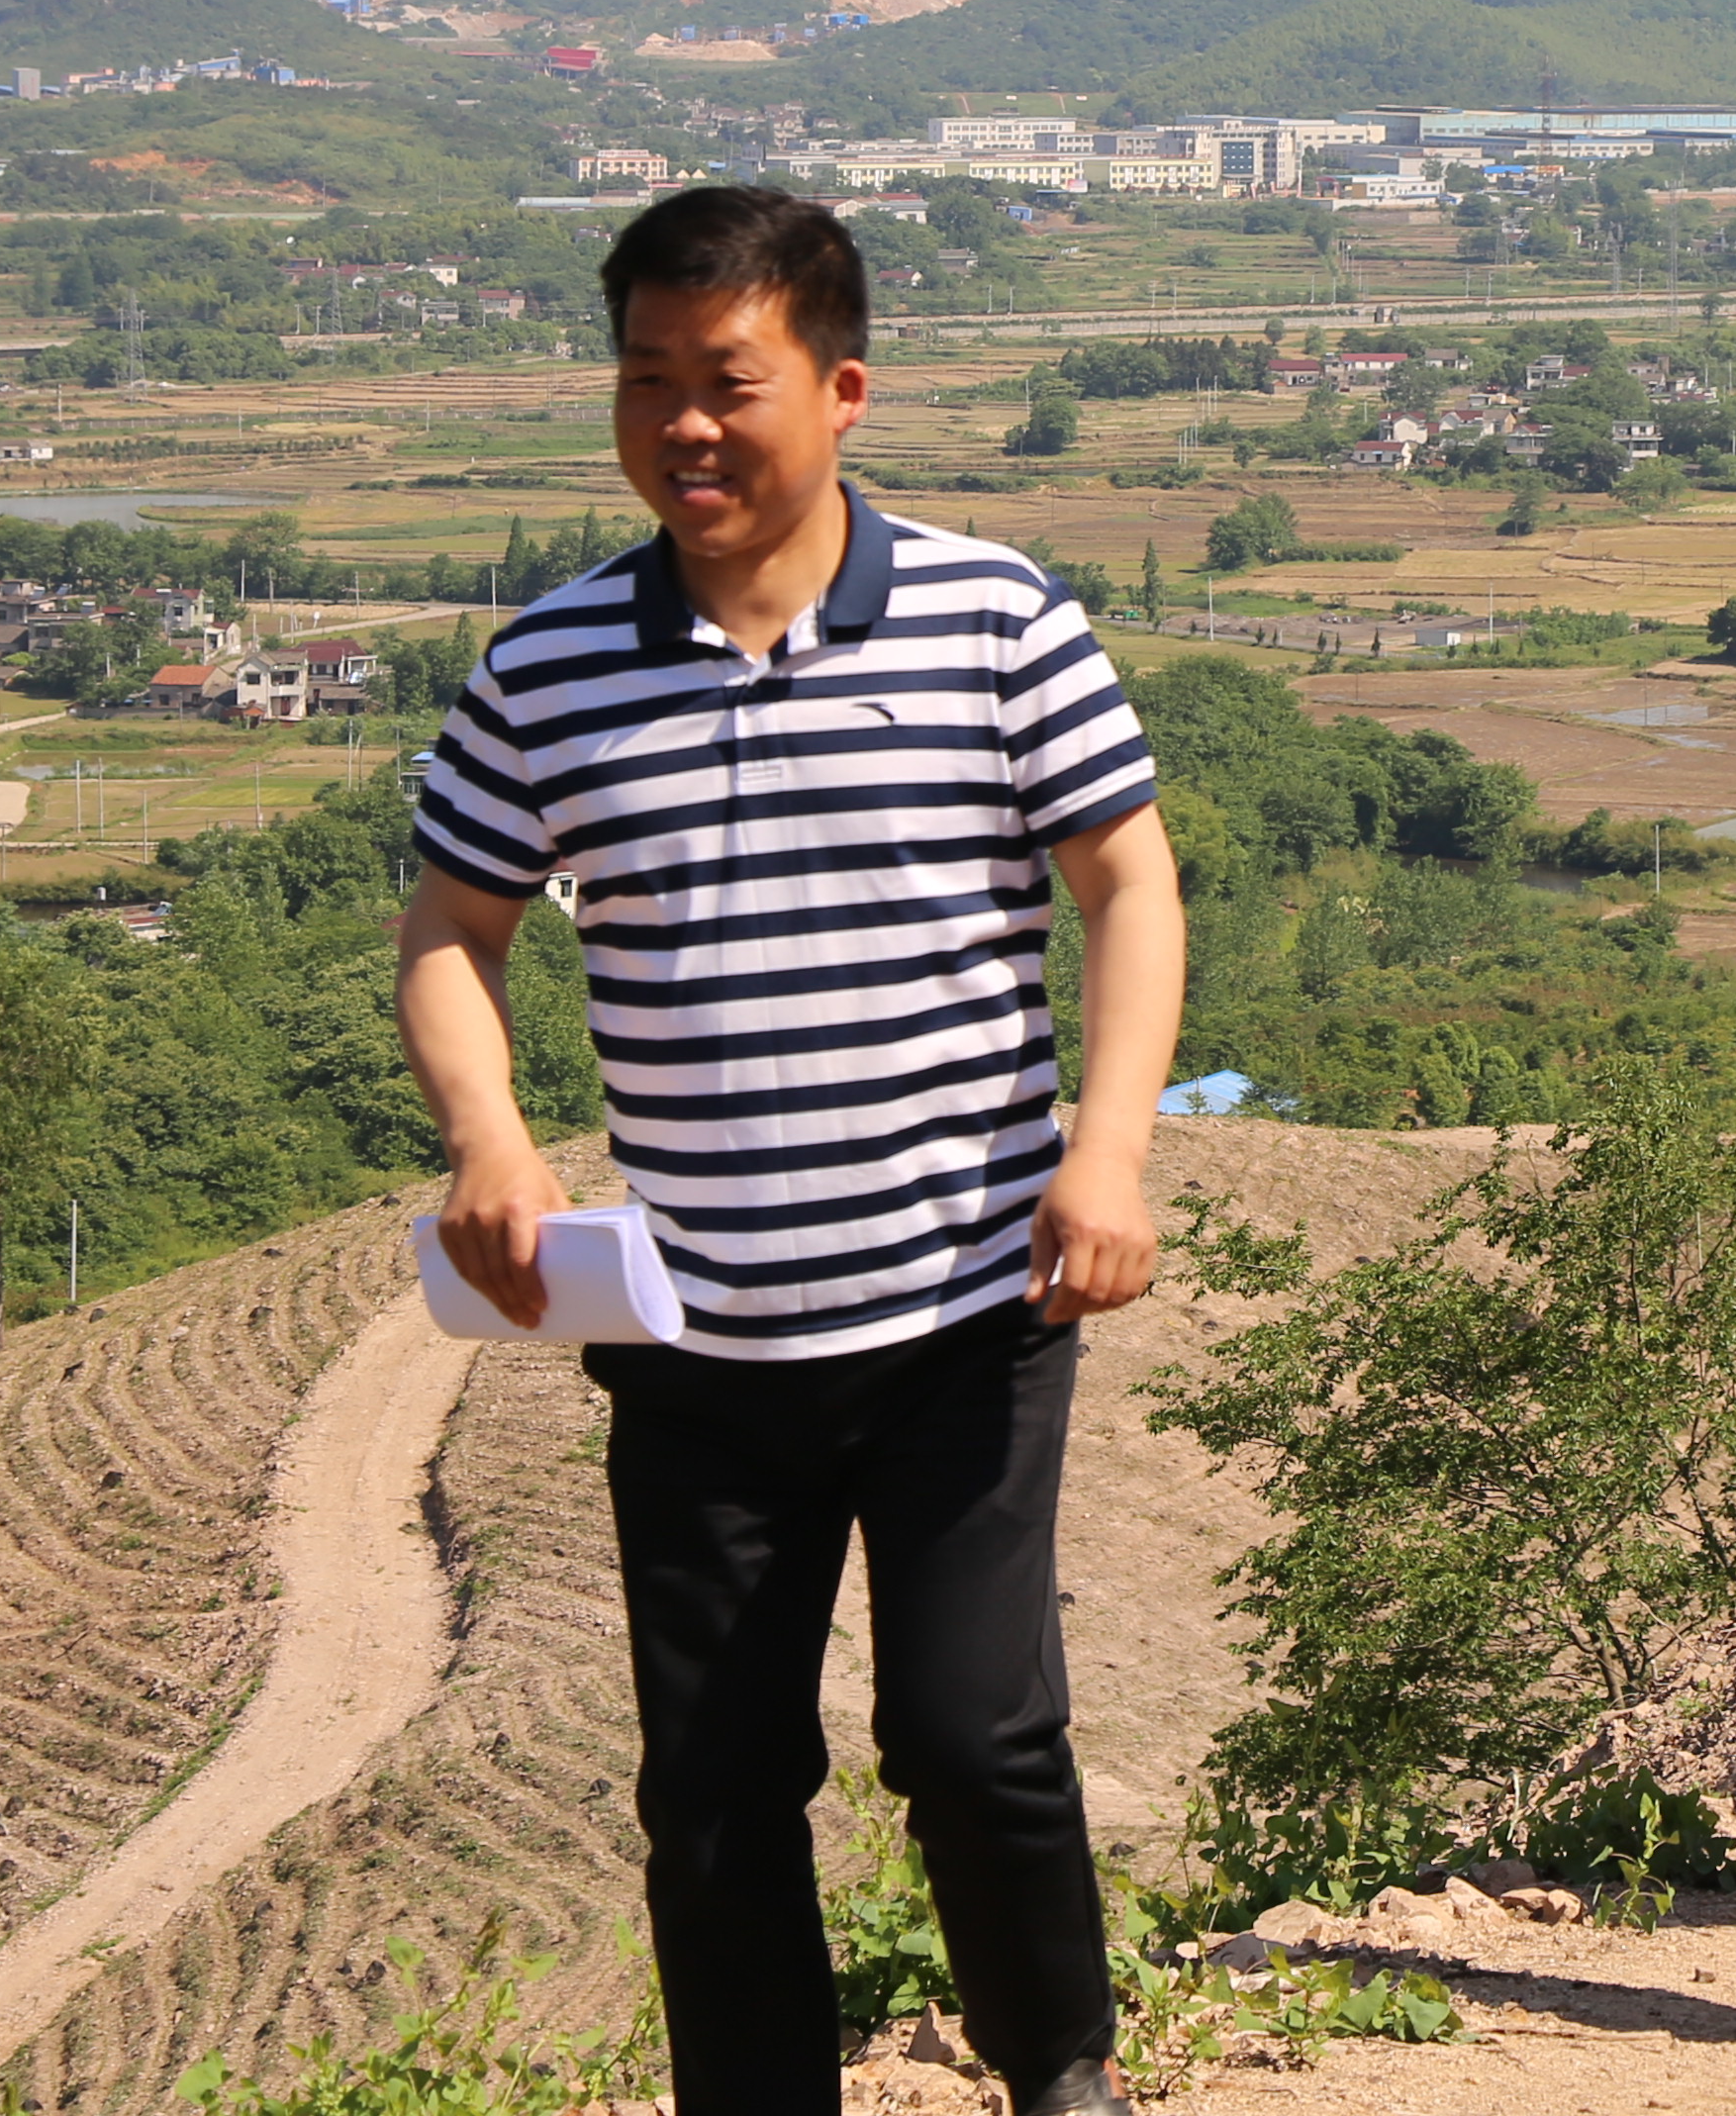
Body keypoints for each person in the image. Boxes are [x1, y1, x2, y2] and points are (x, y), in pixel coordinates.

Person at [395, 188, 1188, 2116]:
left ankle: (1057, 2073)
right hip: (697, 1354)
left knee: (978, 1735)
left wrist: (1109, 1157)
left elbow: (1132, 888)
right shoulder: (554, 668)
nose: (682, 426)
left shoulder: (1001, 621)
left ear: (840, 392)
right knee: (720, 1791)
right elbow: (451, 926)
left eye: (724, 384)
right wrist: (491, 1137)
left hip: (965, 1321)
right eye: (644, 380)